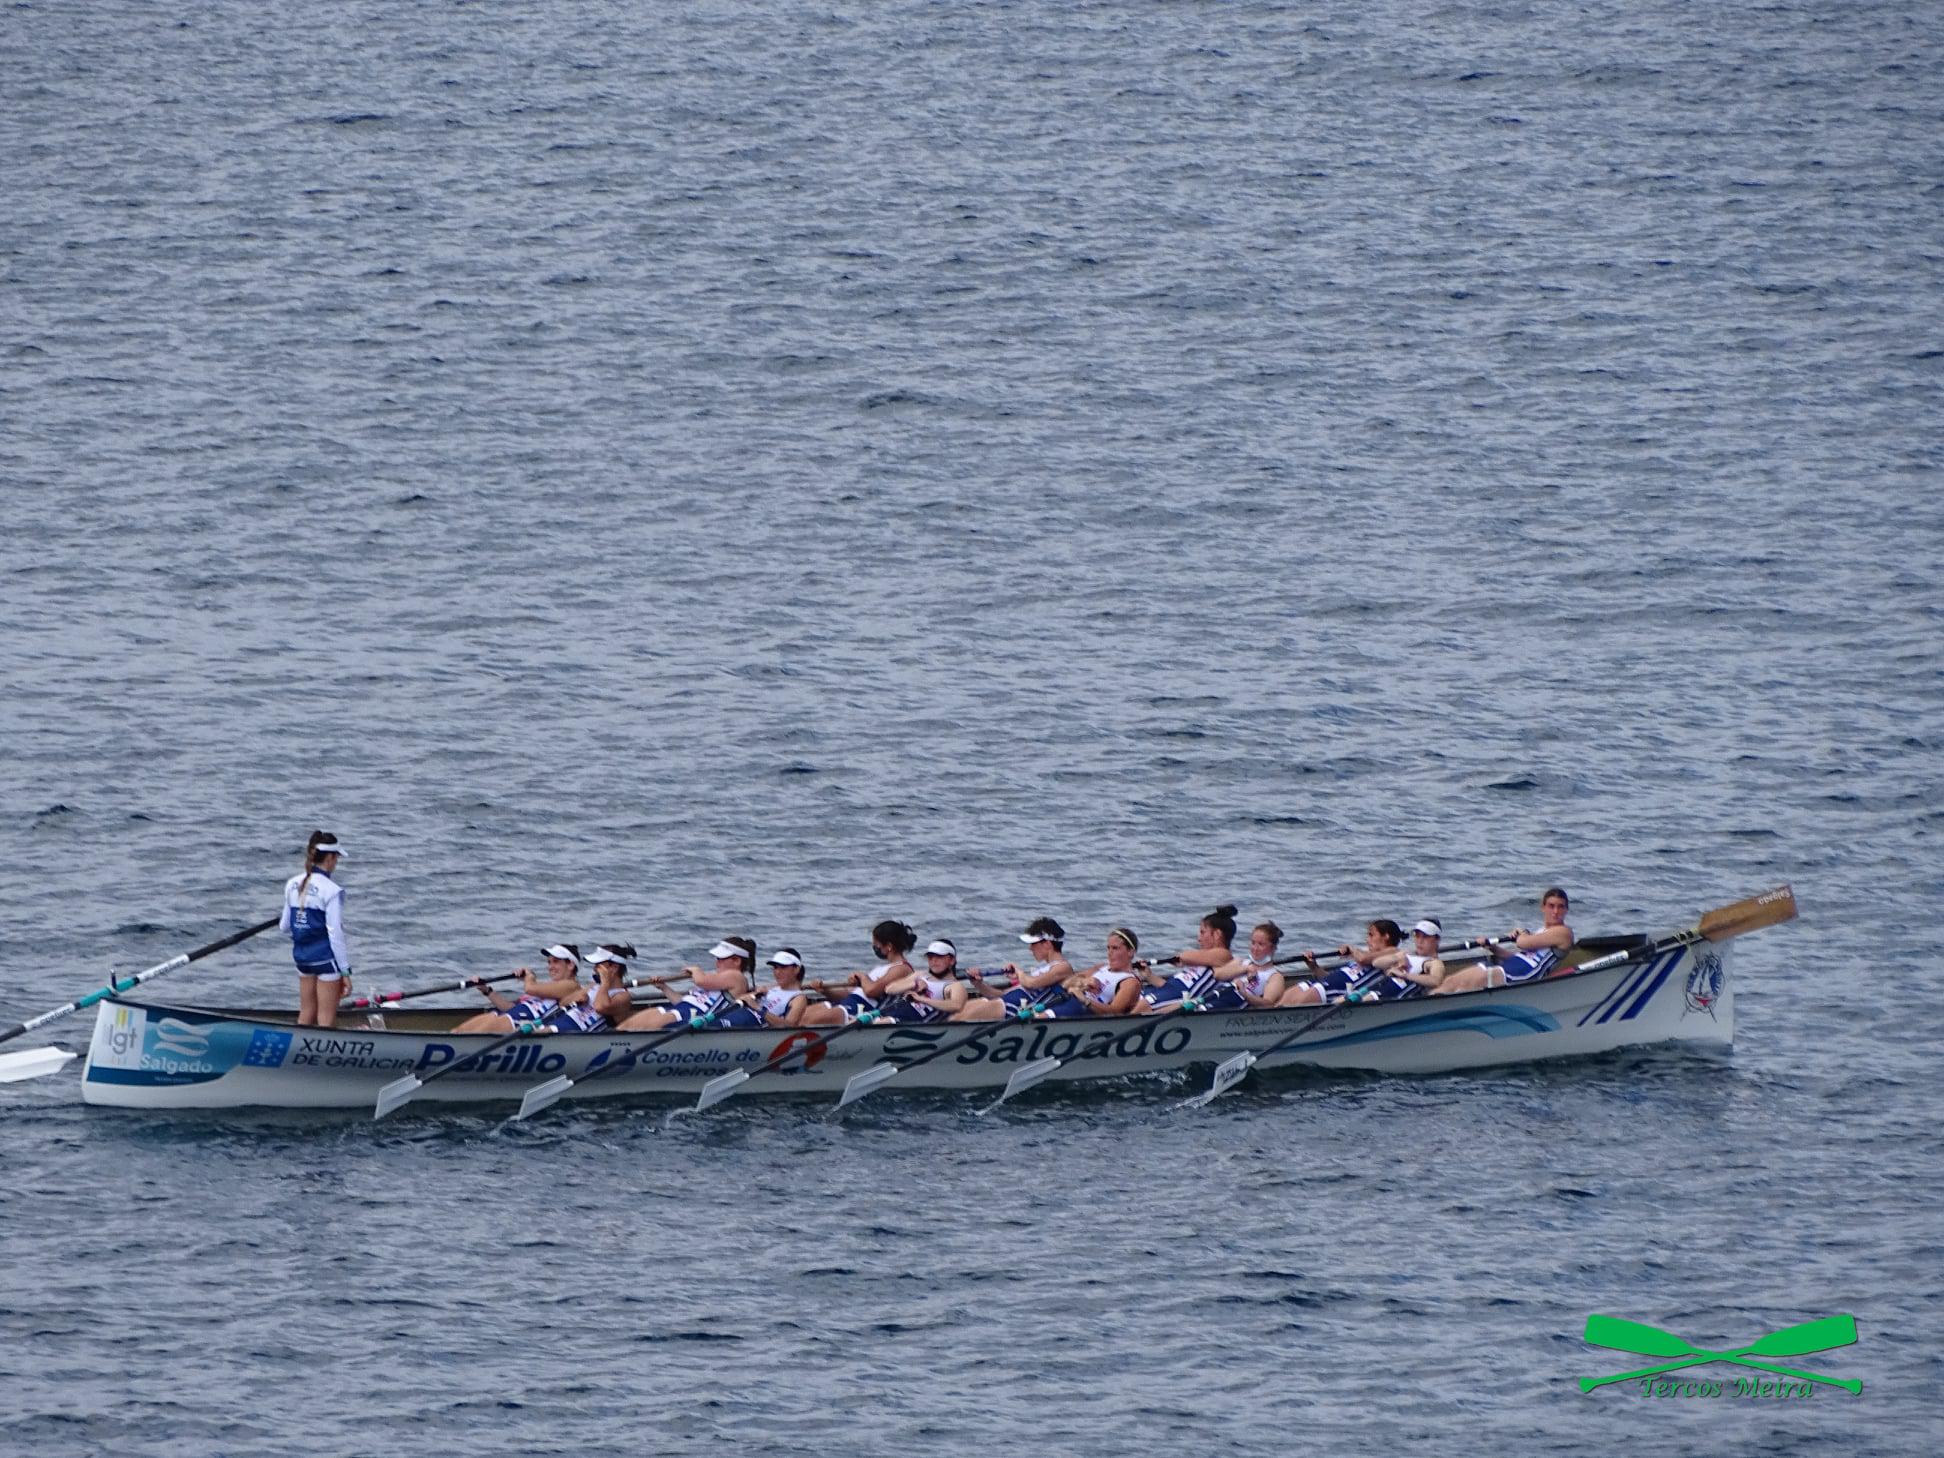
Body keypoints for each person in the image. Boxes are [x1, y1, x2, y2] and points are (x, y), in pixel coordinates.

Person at [1435, 889, 1574, 995]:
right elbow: (1520, 955)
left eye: (1561, 907)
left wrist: (1521, 934)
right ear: (1543, 908)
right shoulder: (1541, 931)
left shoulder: (1564, 933)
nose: (1556, 911)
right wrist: (1492, 947)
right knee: (1450, 981)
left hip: (1526, 974)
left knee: (1466, 983)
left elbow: (1522, 944)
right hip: (1512, 965)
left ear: (1566, 910)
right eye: (1551, 906)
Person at [282, 831, 352, 1028]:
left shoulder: (292, 884)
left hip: (302, 958)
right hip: (325, 960)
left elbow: (284, 926)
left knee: (306, 1015)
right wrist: (345, 972)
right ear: (330, 858)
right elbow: (335, 933)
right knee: (325, 1021)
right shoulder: (332, 890)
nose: (336, 862)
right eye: (337, 857)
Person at [618, 938, 757, 1031]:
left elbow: (700, 981)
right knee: (631, 1023)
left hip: (697, 1017)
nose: (717, 962)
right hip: (684, 1009)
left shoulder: (736, 977)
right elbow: (682, 1001)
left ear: (736, 961)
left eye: (721, 959)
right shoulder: (717, 979)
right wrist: (664, 987)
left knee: (644, 1025)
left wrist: (696, 970)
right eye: (717, 958)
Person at [952, 917, 1074, 1021]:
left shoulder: (1063, 967)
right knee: (956, 1012)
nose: (1030, 949)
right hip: (1005, 1001)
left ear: (1047, 944)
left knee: (960, 1017)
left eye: (1033, 944)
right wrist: (978, 984)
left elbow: (1031, 984)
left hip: (1018, 1009)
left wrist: (1018, 972)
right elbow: (999, 994)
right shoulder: (1040, 970)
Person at [802, 920, 919, 1026]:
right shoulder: (883, 968)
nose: (874, 947)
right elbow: (853, 992)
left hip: (862, 1009)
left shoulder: (902, 968)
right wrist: (824, 990)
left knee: (810, 1020)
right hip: (849, 1002)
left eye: (876, 944)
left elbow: (871, 991)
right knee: (802, 1015)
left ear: (889, 946)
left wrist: (862, 977)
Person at [454, 944, 586, 1034]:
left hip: (522, 1024)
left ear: (570, 965)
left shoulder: (572, 986)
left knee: (476, 1031)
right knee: (457, 1031)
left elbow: (530, 988)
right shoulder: (546, 987)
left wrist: (529, 976)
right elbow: (510, 1007)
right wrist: (486, 990)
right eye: (549, 962)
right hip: (509, 1016)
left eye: (556, 961)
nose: (550, 967)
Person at [1279, 919, 1409, 1006]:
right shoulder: (1366, 954)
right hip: (1327, 982)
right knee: (1287, 996)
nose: (1367, 939)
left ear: (1386, 936)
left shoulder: (1394, 952)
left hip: (1341, 990)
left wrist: (1351, 949)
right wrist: (1313, 966)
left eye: (1371, 935)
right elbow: (1329, 976)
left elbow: (1363, 959)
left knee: (1299, 1000)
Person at [1136, 904, 1239, 1013]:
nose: (1199, 939)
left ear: (1217, 934)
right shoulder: (1203, 960)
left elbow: (1184, 956)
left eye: (1203, 932)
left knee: (1142, 1005)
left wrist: (1182, 960)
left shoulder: (1224, 955)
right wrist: (1149, 976)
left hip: (1183, 1000)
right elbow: (1171, 986)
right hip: (1171, 992)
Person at [1049, 928, 1145, 1017]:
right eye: (1108, 948)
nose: (1109, 952)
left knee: (1047, 1013)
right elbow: (1066, 982)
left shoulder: (1130, 982)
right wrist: (1084, 982)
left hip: (1083, 1010)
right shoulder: (1102, 967)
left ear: (1130, 952)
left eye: (1115, 948)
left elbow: (1115, 1012)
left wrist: (1085, 1000)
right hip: (1068, 998)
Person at [547, 944, 637, 1032]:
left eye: (598, 965)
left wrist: (605, 984)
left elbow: (600, 1007)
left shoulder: (623, 996)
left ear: (614, 968)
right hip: (560, 1023)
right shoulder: (594, 985)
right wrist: (577, 996)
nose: (594, 969)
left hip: (577, 1034)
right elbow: (562, 1003)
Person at [880, 940, 971, 1023]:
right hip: (894, 1011)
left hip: (914, 1021)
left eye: (939, 957)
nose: (934, 961)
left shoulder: (954, 985)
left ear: (952, 960)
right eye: (930, 957)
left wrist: (922, 999)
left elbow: (956, 1006)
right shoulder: (920, 975)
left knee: (880, 1022)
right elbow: (889, 989)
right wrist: (914, 984)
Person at [1204, 921, 1287, 1011]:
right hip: (1218, 995)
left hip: (1238, 1004)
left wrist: (1244, 994)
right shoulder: (1240, 962)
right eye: (1253, 943)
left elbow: (1267, 1004)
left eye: (1261, 944)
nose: (1255, 948)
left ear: (1273, 948)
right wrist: (1245, 968)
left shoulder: (1275, 977)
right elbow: (1217, 974)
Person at [1378, 920, 1449, 997]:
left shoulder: (1434, 963)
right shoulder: (1406, 954)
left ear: (1437, 939)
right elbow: (1377, 963)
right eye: (1417, 936)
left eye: (1425, 937)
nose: (1420, 941)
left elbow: (1436, 981)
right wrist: (1398, 958)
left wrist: (1404, 975)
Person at [749, 948, 816, 1028]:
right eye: (775, 968)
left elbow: (789, 1027)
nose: (777, 972)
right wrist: (754, 996)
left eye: (783, 967)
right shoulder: (769, 988)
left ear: (796, 969)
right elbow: (743, 999)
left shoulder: (799, 998)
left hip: (751, 1027)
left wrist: (759, 1009)